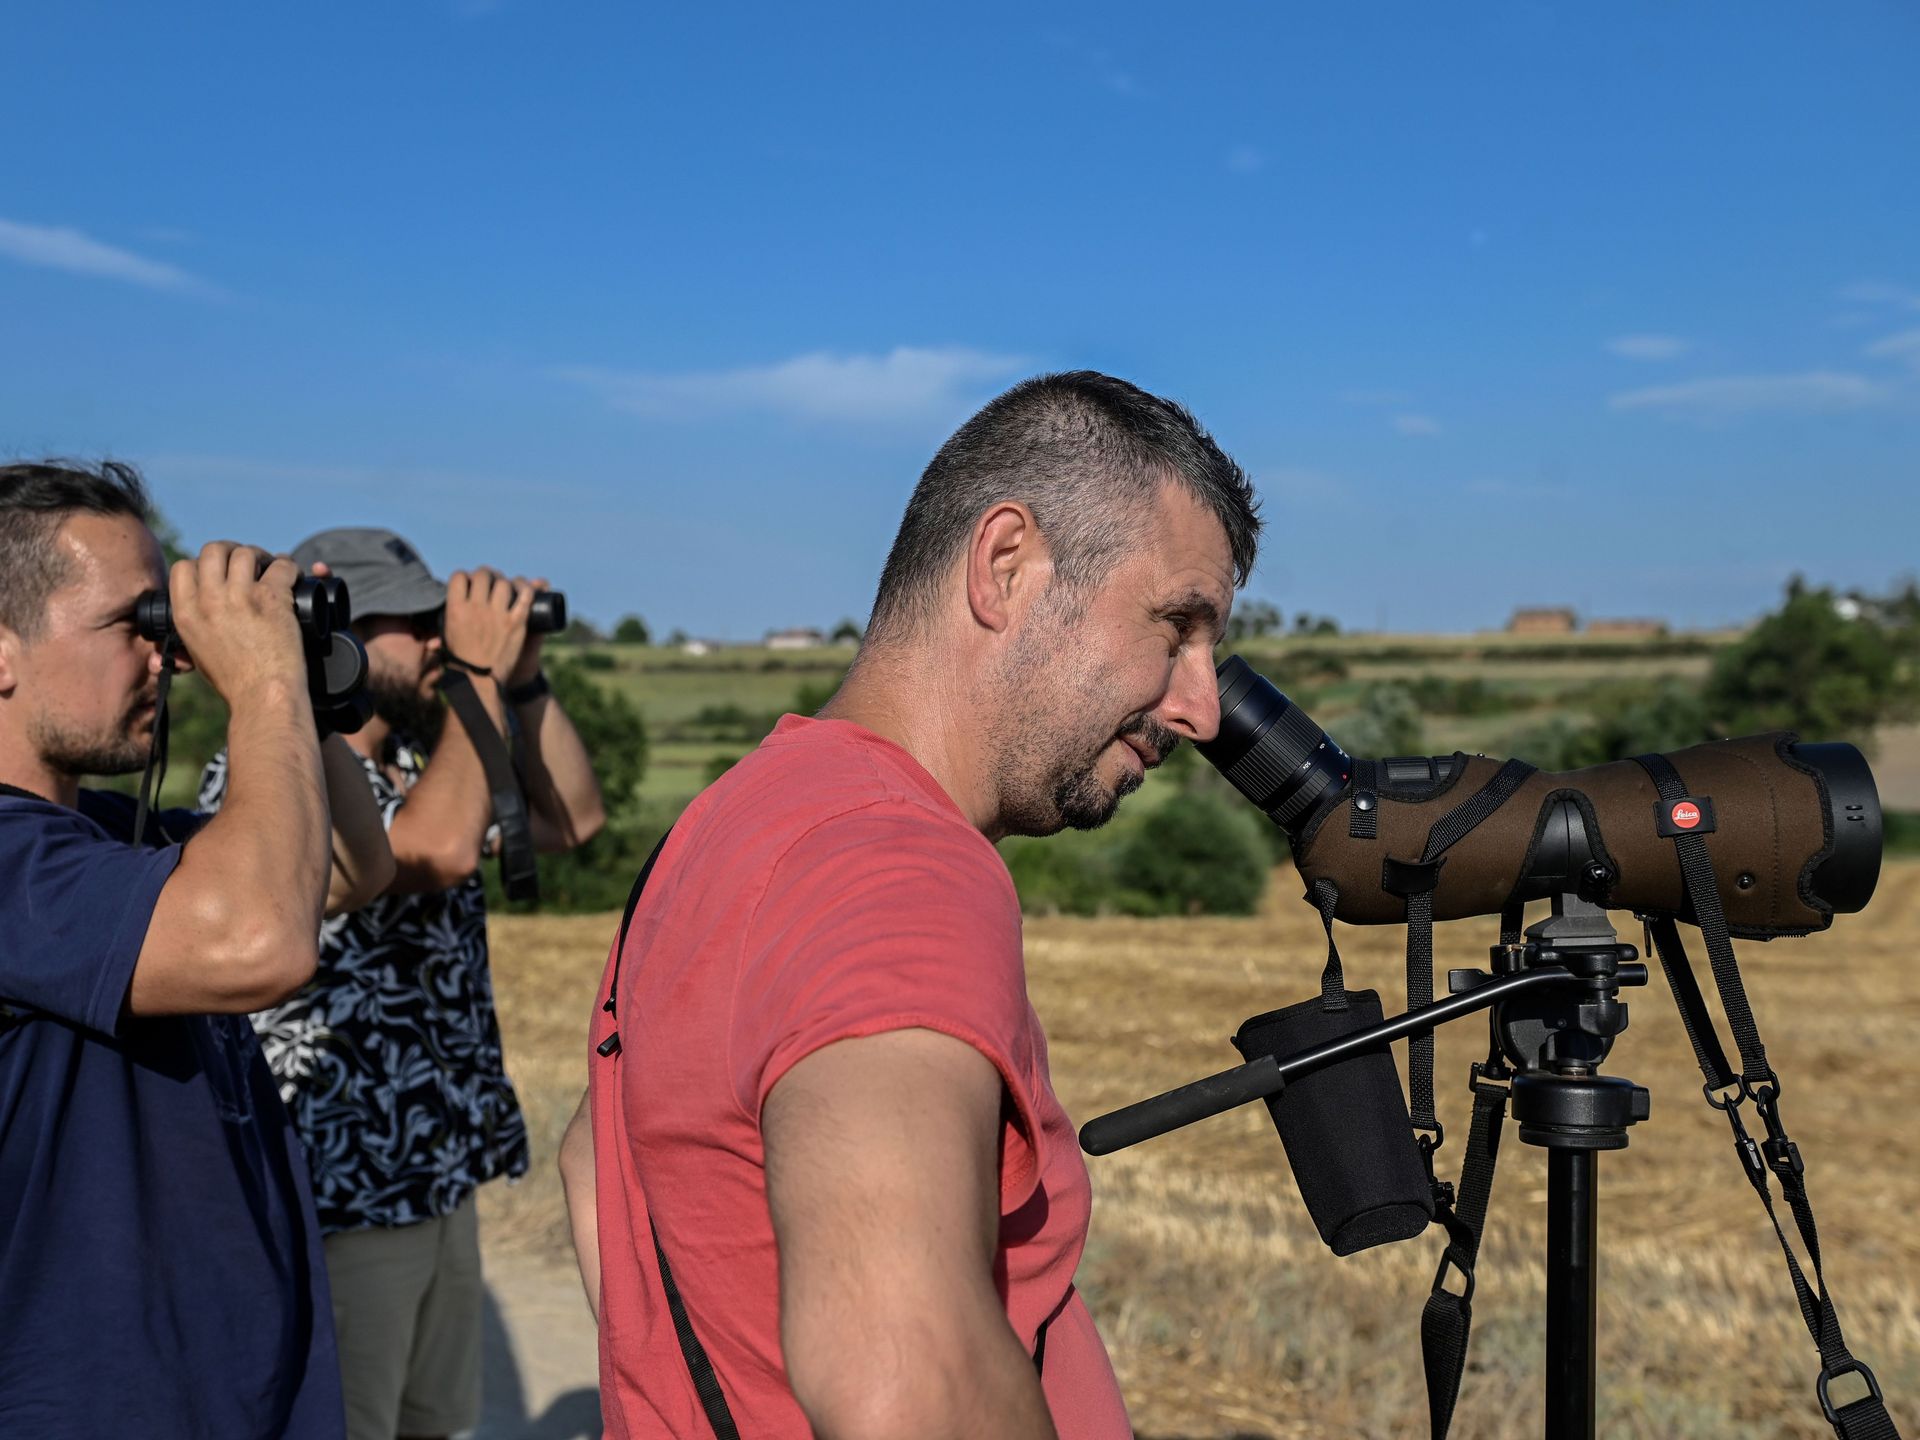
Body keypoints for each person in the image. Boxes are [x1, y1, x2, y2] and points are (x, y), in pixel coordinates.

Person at [562, 371, 1262, 1438]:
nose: (1201, 707)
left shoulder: (733, 822)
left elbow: (596, 1168)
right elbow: (902, 1381)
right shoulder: (892, 863)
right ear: (1006, 565)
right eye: (1176, 627)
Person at [0, 460, 396, 1438]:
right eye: (134, 624)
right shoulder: (13, 865)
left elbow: (353, 868)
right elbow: (261, 940)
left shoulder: (103, 836)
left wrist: (296, 680)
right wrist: (259, 681)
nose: (167, 658)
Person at [200, 526, 606, 1440]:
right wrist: (479, 672)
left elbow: (571, 818)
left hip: (437, 1176)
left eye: (441, 622)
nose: (435, 641)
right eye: (413, 623)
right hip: (342, 1191)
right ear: (330, 624)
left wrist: (522, 677)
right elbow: (434, 849)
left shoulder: (422, 767)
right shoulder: (270, 777)